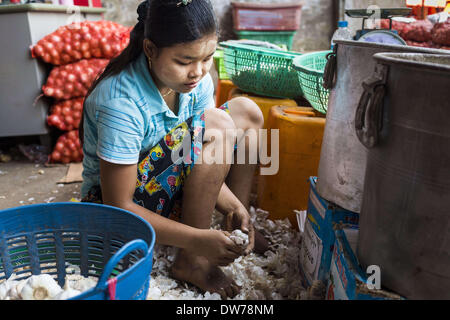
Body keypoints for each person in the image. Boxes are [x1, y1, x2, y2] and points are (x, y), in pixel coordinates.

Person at [80, 0, 268, 299]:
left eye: (207, 58)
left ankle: (238, 229)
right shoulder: (120, 102)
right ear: (150, 50)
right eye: (184, 61)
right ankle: (191, 259)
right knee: (217, 124)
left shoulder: (196, 82)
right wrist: (197, 240)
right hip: (113, 212)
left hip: (167, 182)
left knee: (247, 111)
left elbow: (205, 157)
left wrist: (233, 206)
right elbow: (119, 205)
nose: (197, 71)